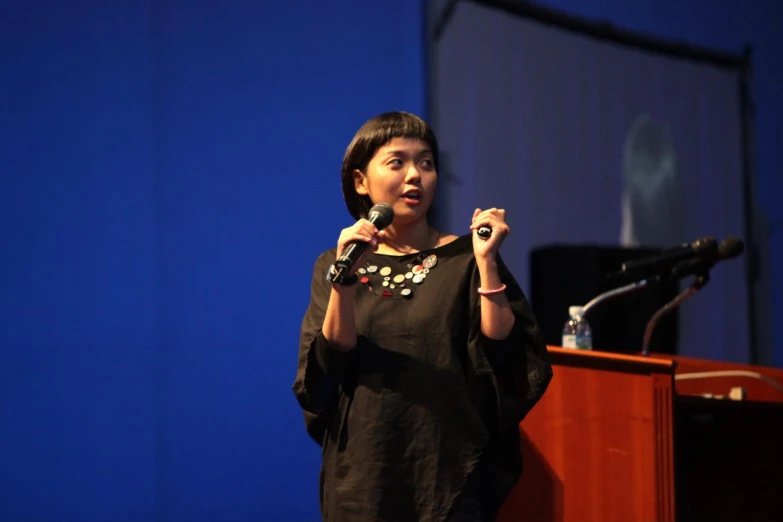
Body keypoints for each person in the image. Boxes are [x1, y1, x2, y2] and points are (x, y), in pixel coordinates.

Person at [293, 111, 552, 522]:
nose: (415, 175)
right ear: (361, 181)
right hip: (362, 480)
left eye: (426, 162)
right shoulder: (335, 262)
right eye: (397, 162)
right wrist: (344, 281)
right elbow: (322, 377)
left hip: (446, 479)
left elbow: (507, 363)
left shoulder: (467, 259)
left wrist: (486, 264)